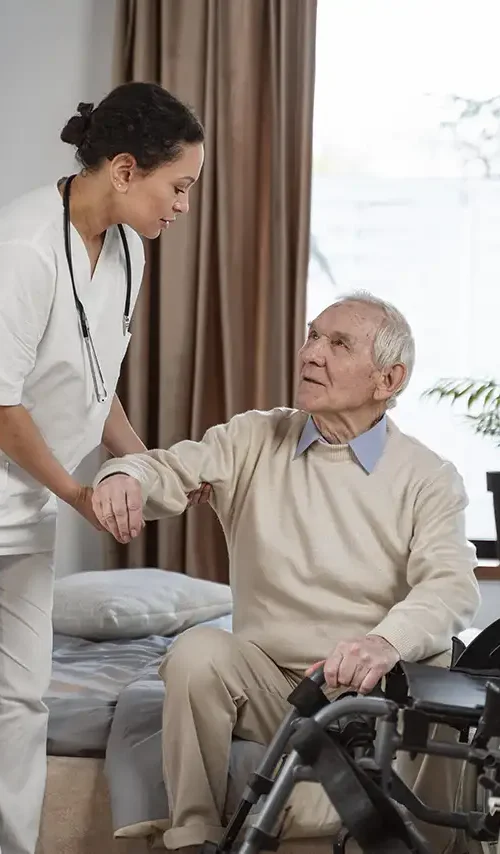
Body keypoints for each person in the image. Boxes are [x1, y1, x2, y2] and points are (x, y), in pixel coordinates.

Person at [92, 292, 480, 854]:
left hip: (372, 689)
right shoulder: (253, 438)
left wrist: (383, 641)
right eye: (311, 336)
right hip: (272, 683)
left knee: (442, 659)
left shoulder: (428, 477)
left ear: (387, 379)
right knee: (197, 651)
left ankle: (438, 844)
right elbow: (172, 469)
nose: (310, 354)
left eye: (338, 344)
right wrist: (123, 473)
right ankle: (194, 836)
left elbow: (450, 586)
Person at [0, 81, 204, 854]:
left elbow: (96, 379)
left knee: (21, 698)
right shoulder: (22, 248)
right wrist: (81, 493)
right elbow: (2, 406)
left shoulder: (129, 250)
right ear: (124, 170)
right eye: (176, 186)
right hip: (34, 484)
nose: (182, 205)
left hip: (29, 510)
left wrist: (148, 465)